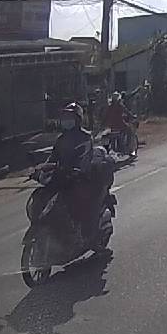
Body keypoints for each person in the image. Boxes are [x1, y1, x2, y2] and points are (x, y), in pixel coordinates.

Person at [51, 103, 99, 246]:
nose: (66, 121)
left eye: (69, 117)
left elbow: (84, 158)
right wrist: (41, 168)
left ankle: (87, 236)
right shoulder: (61, 139)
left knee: (80, 203)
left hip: (80, 179)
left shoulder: (85, 137)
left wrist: (77, 170)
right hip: (64, 178)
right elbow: (53, 157)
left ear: (78, 119)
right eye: (65, 117)